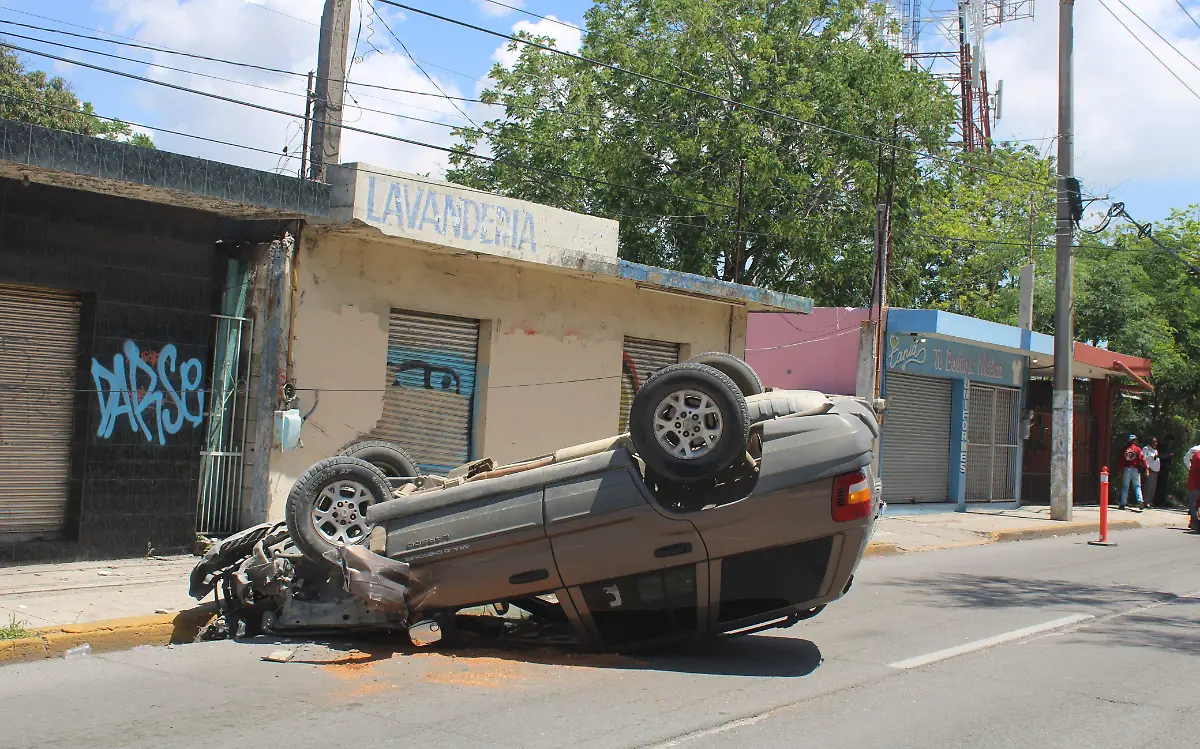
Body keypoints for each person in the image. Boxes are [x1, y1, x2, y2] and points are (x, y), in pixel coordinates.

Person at [1119, 434, 1148, 511]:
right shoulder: (1138, 449)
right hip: (1135, 469)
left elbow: (1121, 461)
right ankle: (1140, 501)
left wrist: (1120, 471)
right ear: (1134, 441)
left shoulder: (1125, 450)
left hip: (1126, 469)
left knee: (1125, 487)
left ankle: (1122, 504)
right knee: (1137, 486)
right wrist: (1146, 467)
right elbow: (1142, 459)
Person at [1142, 437, 1161, 508]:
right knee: (1148, 487)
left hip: (1155, 470)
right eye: (1154, 441)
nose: (1155, 443)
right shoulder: (1146, 449)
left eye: (1156, 442)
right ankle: (1145, 501)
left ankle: (1150, 501)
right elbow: (1143, 458)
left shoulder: (1155, 450)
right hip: (1149, 470)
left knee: (1153, 487)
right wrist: (1152, 457)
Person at [1188, 444, 1200, 531]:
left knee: (1194, 504)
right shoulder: (1198, 456)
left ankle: (1193, 522)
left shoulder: (1196, 455)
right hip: (1196, 483)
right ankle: (1195, 522)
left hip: (1194, 483)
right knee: (1194, 504)